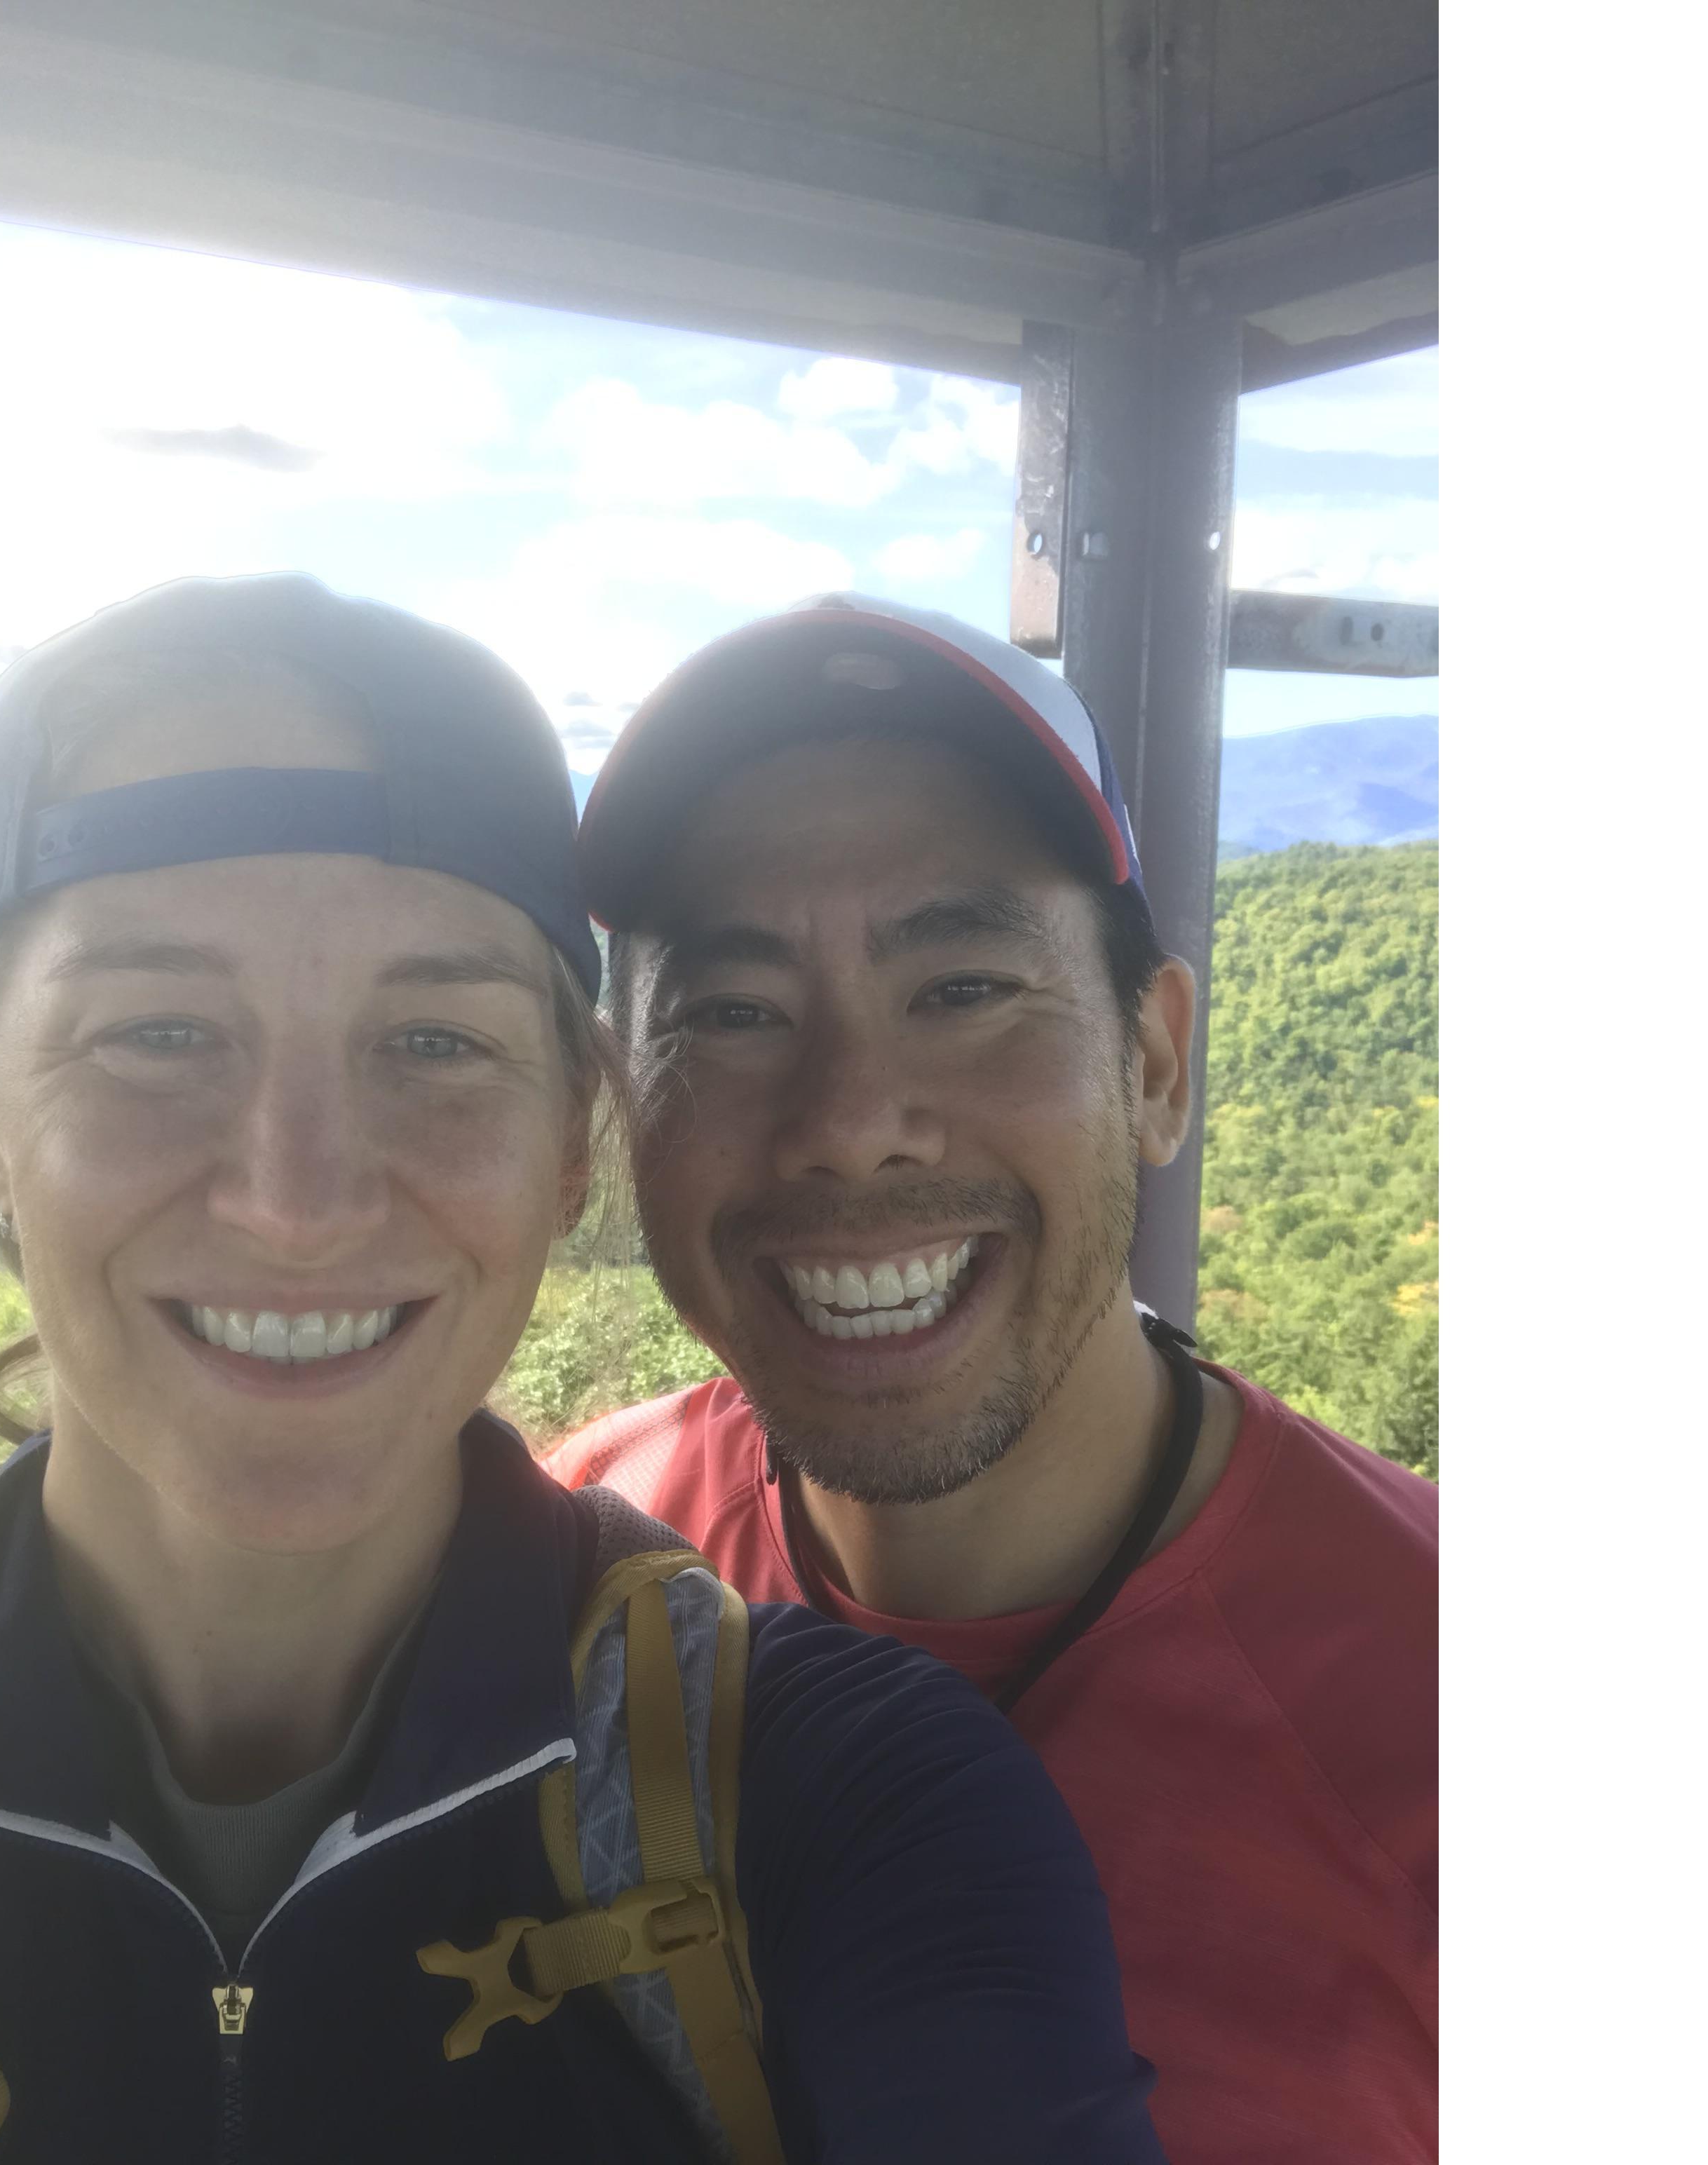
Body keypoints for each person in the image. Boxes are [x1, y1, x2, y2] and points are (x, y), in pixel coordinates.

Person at [0, 574, 1168, 2165]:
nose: (300, 1201)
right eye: (157, 1034)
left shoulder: (834, 1796)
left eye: (434, 1044)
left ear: (574, 1143)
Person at [549, 592, 1439, 2165]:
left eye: (963, 989)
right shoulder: (556, 1572)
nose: (850, 1122)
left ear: (1153, 1063)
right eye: (733, 1014)